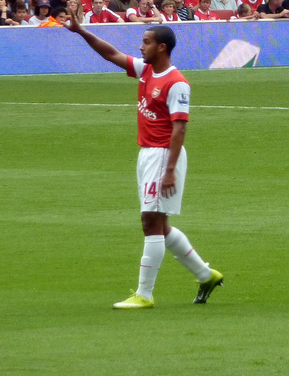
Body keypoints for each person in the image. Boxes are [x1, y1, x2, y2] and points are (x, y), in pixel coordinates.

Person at [63, 16, 224, 309]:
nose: (141, 46)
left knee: (150, 222)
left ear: (162, 47)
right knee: (159, 225)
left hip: (163, 154)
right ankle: (205, 275)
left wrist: (171, 170)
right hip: (148, 154)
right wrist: (81, 31)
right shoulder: (146, 70)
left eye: (146, 42)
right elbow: (111, 54)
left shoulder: (177, 83)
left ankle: (144, 295)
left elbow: (180, 129)